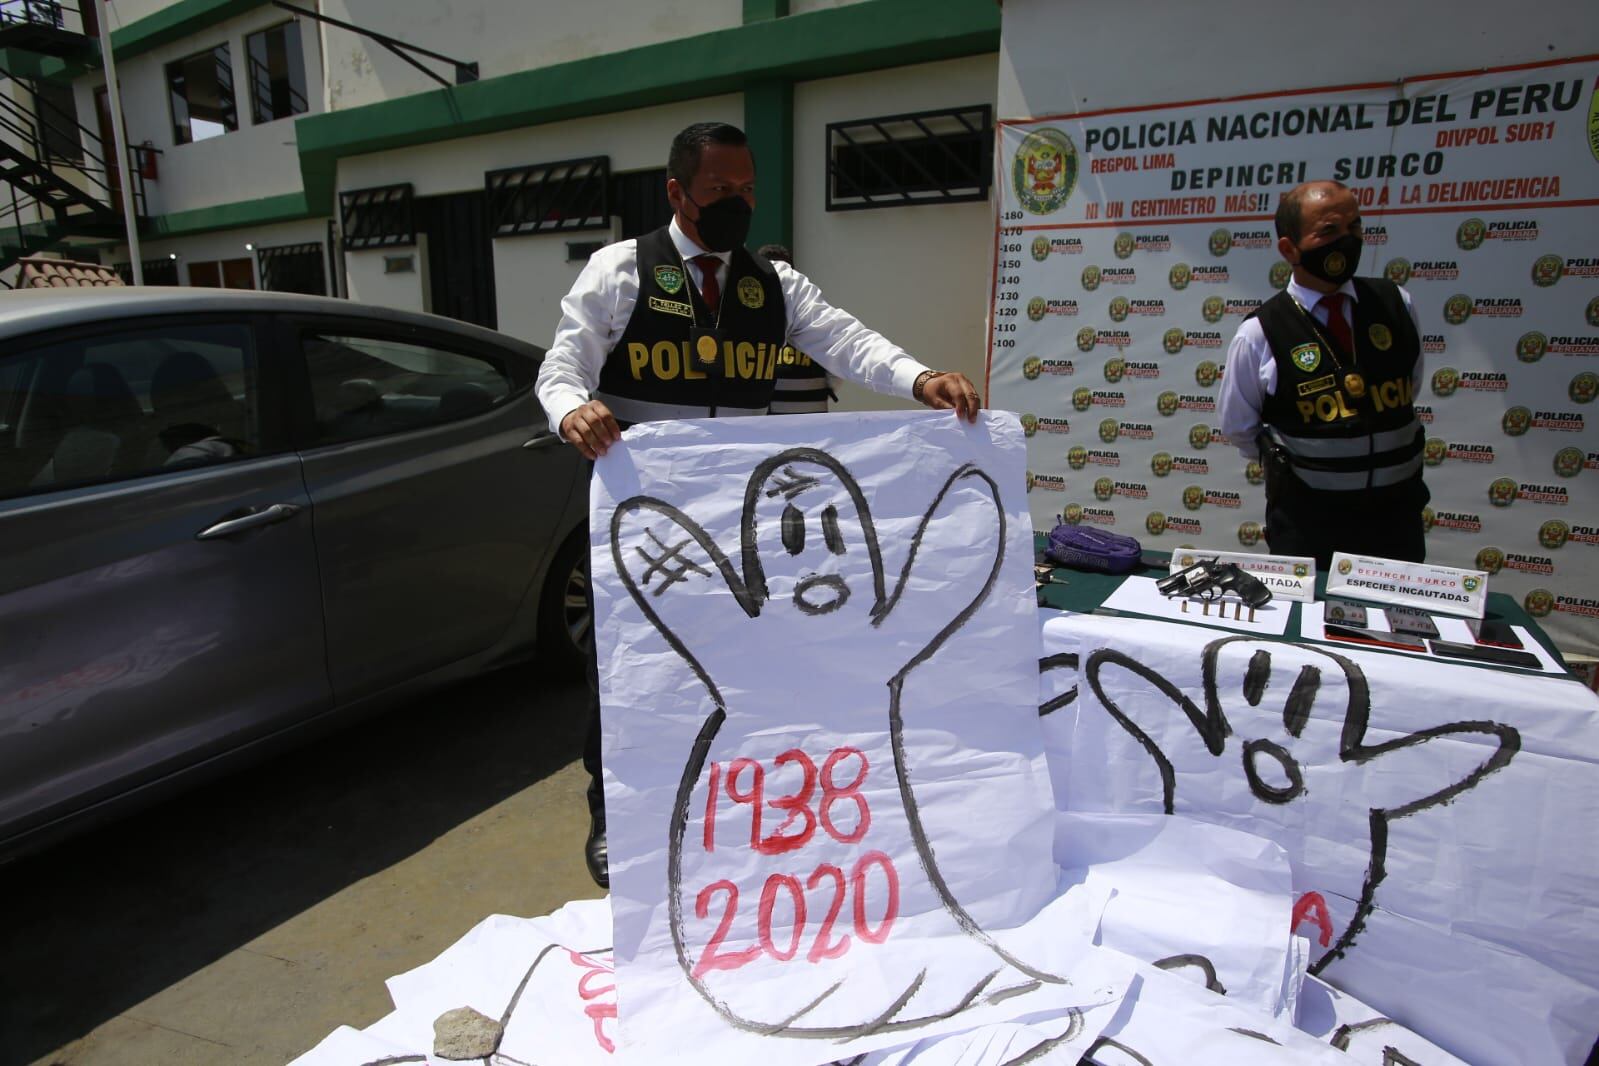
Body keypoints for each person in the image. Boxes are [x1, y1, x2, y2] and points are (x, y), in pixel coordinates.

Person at [536, 121, 982, 887]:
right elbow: (561, 366)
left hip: (737, 526)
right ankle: (616, 817)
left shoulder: (770, 284)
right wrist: (571, 409)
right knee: (631, 677)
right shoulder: (620, 272)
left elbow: (847, 341)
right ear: (676, 193)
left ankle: (724, 809)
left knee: (734, 670)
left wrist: (917, 378)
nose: (737, 205)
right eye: (719, 192)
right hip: (645, 522)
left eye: (746, 191)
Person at [1217, 179, 1427, 568]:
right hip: (1310, 529)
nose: (1347, 241)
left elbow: (1409, 385)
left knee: (1396, 628)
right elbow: (1239, 427)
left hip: (1397, 523)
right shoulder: (1260, 332)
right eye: (1329, 231)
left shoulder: (1397, 304)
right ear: (1289, 248)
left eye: (1355, 228)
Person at [755, 242, 839, 414]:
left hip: (806, 430)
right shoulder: (813, 316)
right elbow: (836, 373)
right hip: (797, 428)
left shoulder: (752, 320)